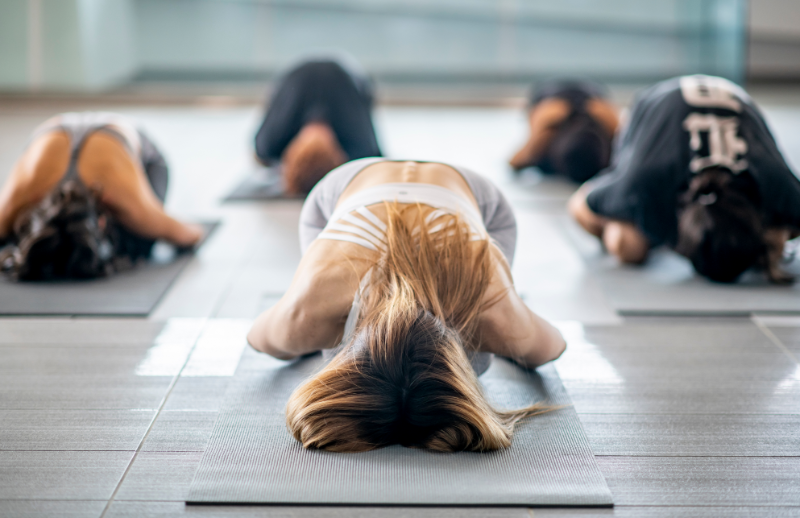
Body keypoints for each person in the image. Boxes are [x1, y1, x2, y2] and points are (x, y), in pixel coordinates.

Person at [247, 158, 566, 453]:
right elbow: (260, 339)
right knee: (301, 337)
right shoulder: (308, 310)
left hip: (469, 203)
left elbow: (552, 347)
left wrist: (510, 327)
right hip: (356, 192)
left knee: (488, 351)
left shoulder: (492, 313)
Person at [568, 75, 800, 283]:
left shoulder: (774, 184)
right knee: (627, 245)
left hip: (729, 97)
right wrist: (640, 225)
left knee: (780, 238)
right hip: (654, 102)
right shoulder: (645, 183)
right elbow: (580, 205)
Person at [0, 112, 204, 281]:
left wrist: (153, 223)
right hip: (56, 129)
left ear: (102, 220)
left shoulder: (125, 201)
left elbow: (190, 235)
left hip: (132, 147)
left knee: (141, 235)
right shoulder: (25, 196)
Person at [254, 59, 382, 195]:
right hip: (342, 74)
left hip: (305, 73)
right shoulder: (270, 144)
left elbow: (260, 158)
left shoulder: (360, 146)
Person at [509, 79, 619, 183]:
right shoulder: (602, 116)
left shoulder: (546, 136)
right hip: (592, 94)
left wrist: (540, 132)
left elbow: (514, 162)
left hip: (550, 96)